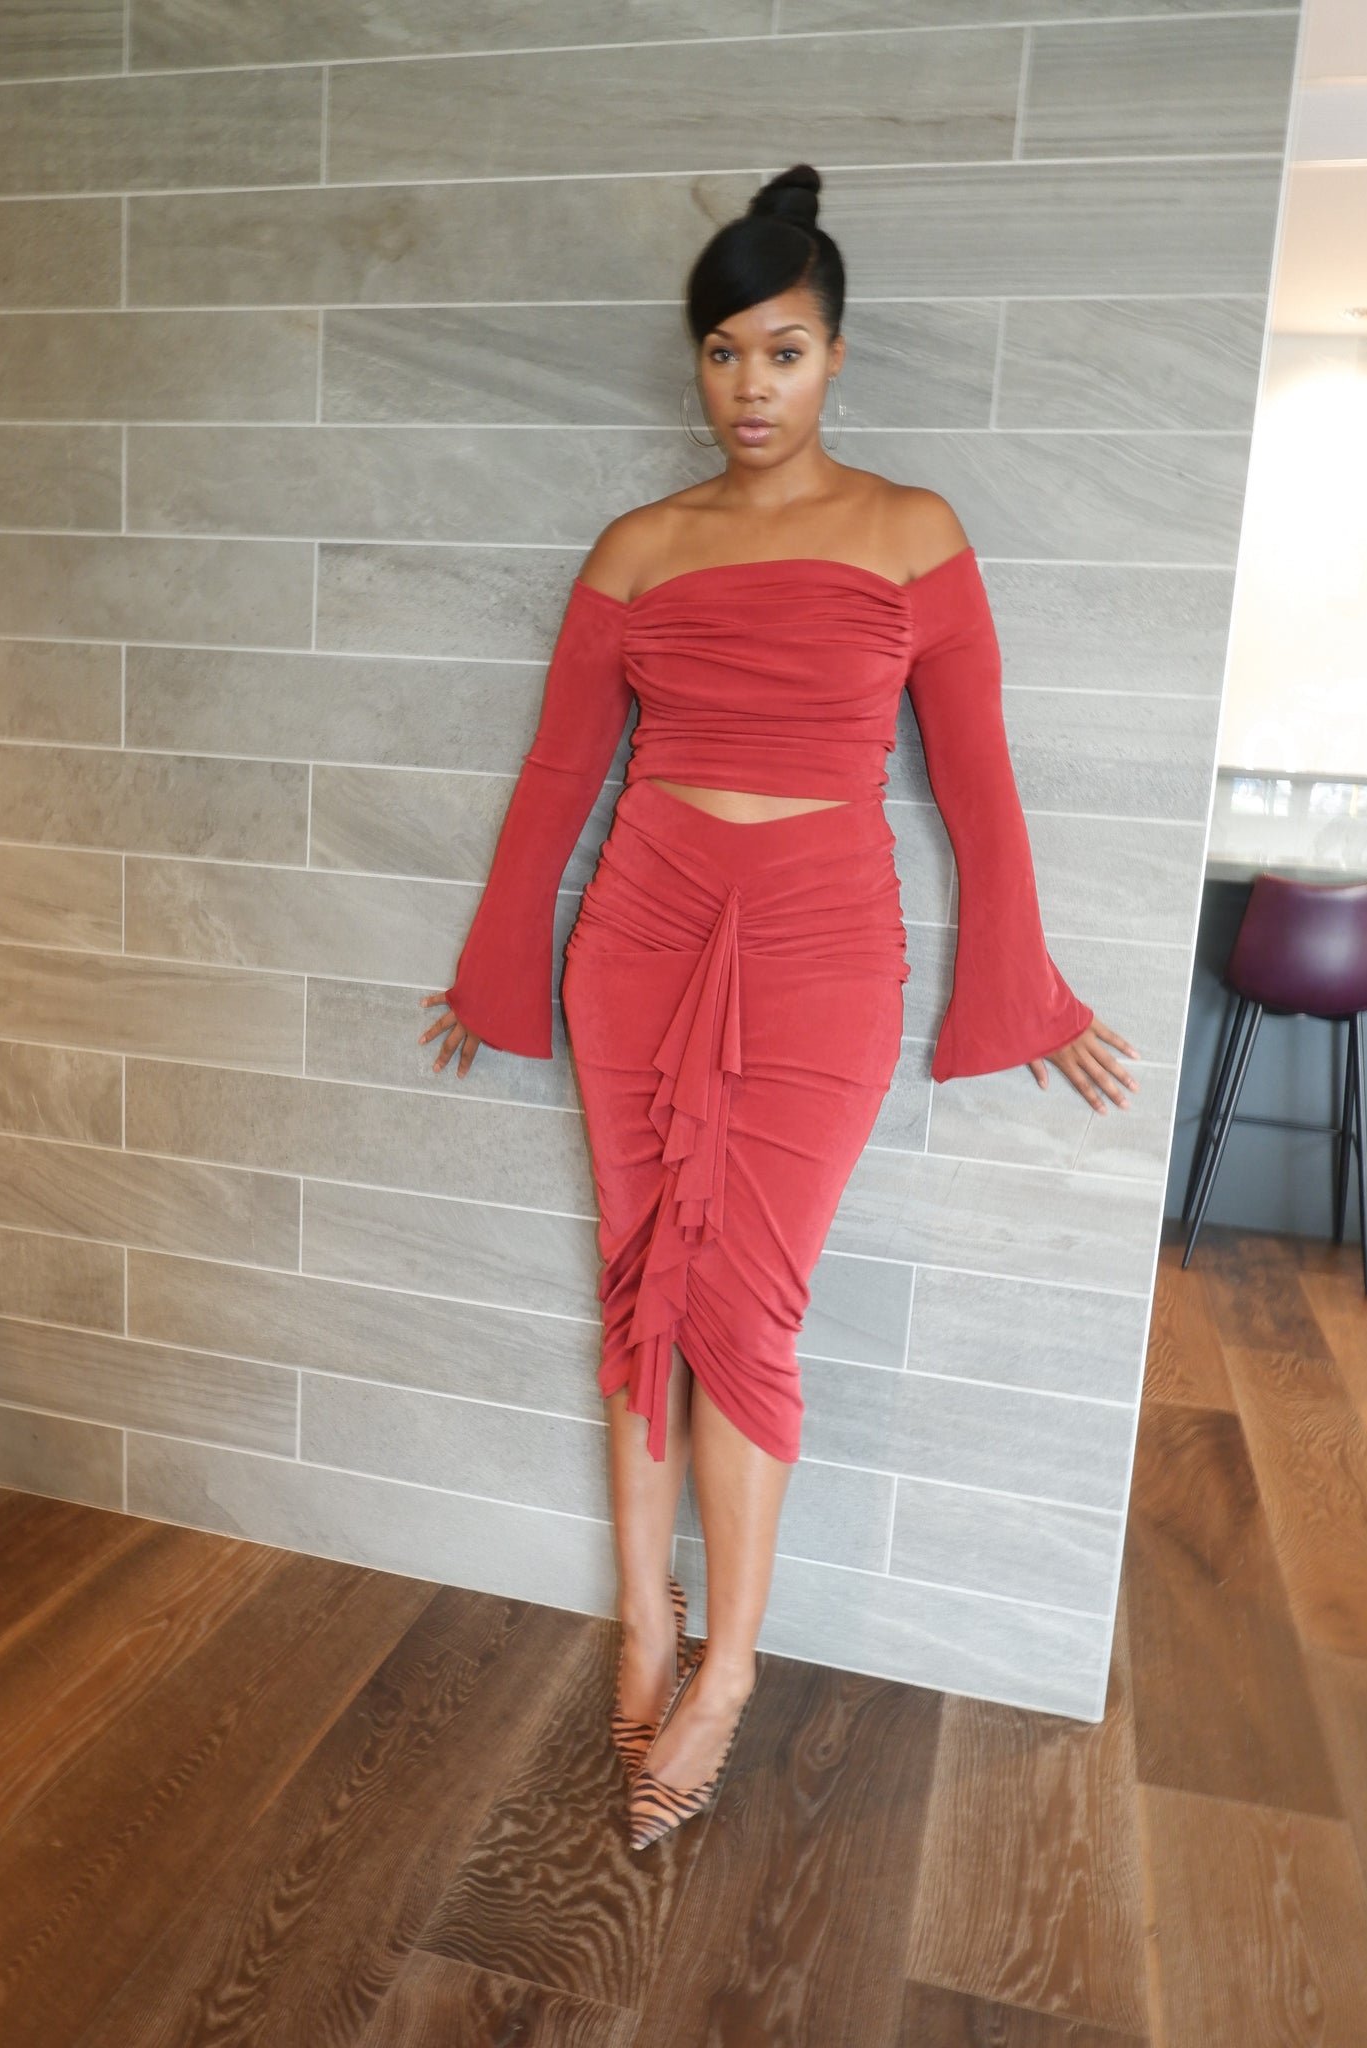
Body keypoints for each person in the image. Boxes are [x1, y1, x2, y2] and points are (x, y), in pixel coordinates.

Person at [420, 163, 1140, 1851]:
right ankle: (644, 1624)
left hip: (821, 946)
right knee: (639, 1283)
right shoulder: (638, 548)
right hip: (643, 933)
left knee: (744, 1307)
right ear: (698, 362)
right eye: (725, 352)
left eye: (786, 350)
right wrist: (496, 968)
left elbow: (977, 783)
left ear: (837, 357)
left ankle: (730, 1665)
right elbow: (559, 777)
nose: (752, 385)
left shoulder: (911, 532)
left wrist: (1024, 987)